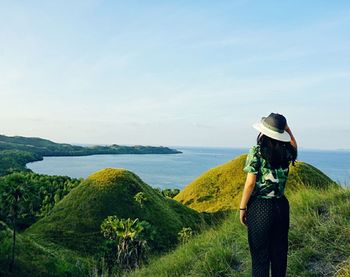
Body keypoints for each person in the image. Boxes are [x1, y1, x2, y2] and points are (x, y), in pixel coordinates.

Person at [239, 113, 298, 277]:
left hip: (260, 208)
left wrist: (242, 207)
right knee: (279, 255)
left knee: (260, 258)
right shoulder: (287, 152)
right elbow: (294, 146)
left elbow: (250, 183)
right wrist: (287, 129)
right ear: (281, 132)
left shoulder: (256, 151)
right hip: (281, 206)